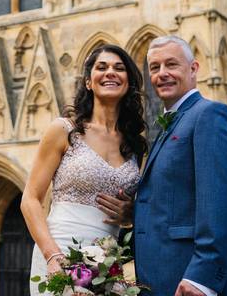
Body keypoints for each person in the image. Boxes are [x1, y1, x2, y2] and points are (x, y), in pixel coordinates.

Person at [22, 44, 148, 294]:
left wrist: (132, 215)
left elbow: (138, 206)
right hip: (60, 253)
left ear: (128, 82)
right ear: (89, 82)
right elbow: (30, 199)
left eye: (119, 68)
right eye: (102, 67)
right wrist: (51, 255)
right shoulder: (64, 130)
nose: (110, 72)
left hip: (108, 263)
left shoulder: (135, 144)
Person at [132, 36, 227, 296]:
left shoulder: (210, 115)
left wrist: (202, 277)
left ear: (194, 69)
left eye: (171, 65)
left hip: (192, 281)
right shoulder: (173, 122)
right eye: (154, 68)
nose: (162, 74)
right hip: (164, 277)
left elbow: (218, 201)